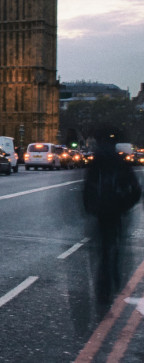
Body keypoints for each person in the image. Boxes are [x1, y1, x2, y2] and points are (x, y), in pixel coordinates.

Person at [83, 126, 141, 308]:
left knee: (102, 252)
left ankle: (103, 290)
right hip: (115, 212)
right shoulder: (120, 162)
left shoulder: (96, 163)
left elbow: (87, 190)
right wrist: (124, 206)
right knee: (115, 246)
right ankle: (114, 276)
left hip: (101, 213)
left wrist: (91, 208)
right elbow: (136, 190)